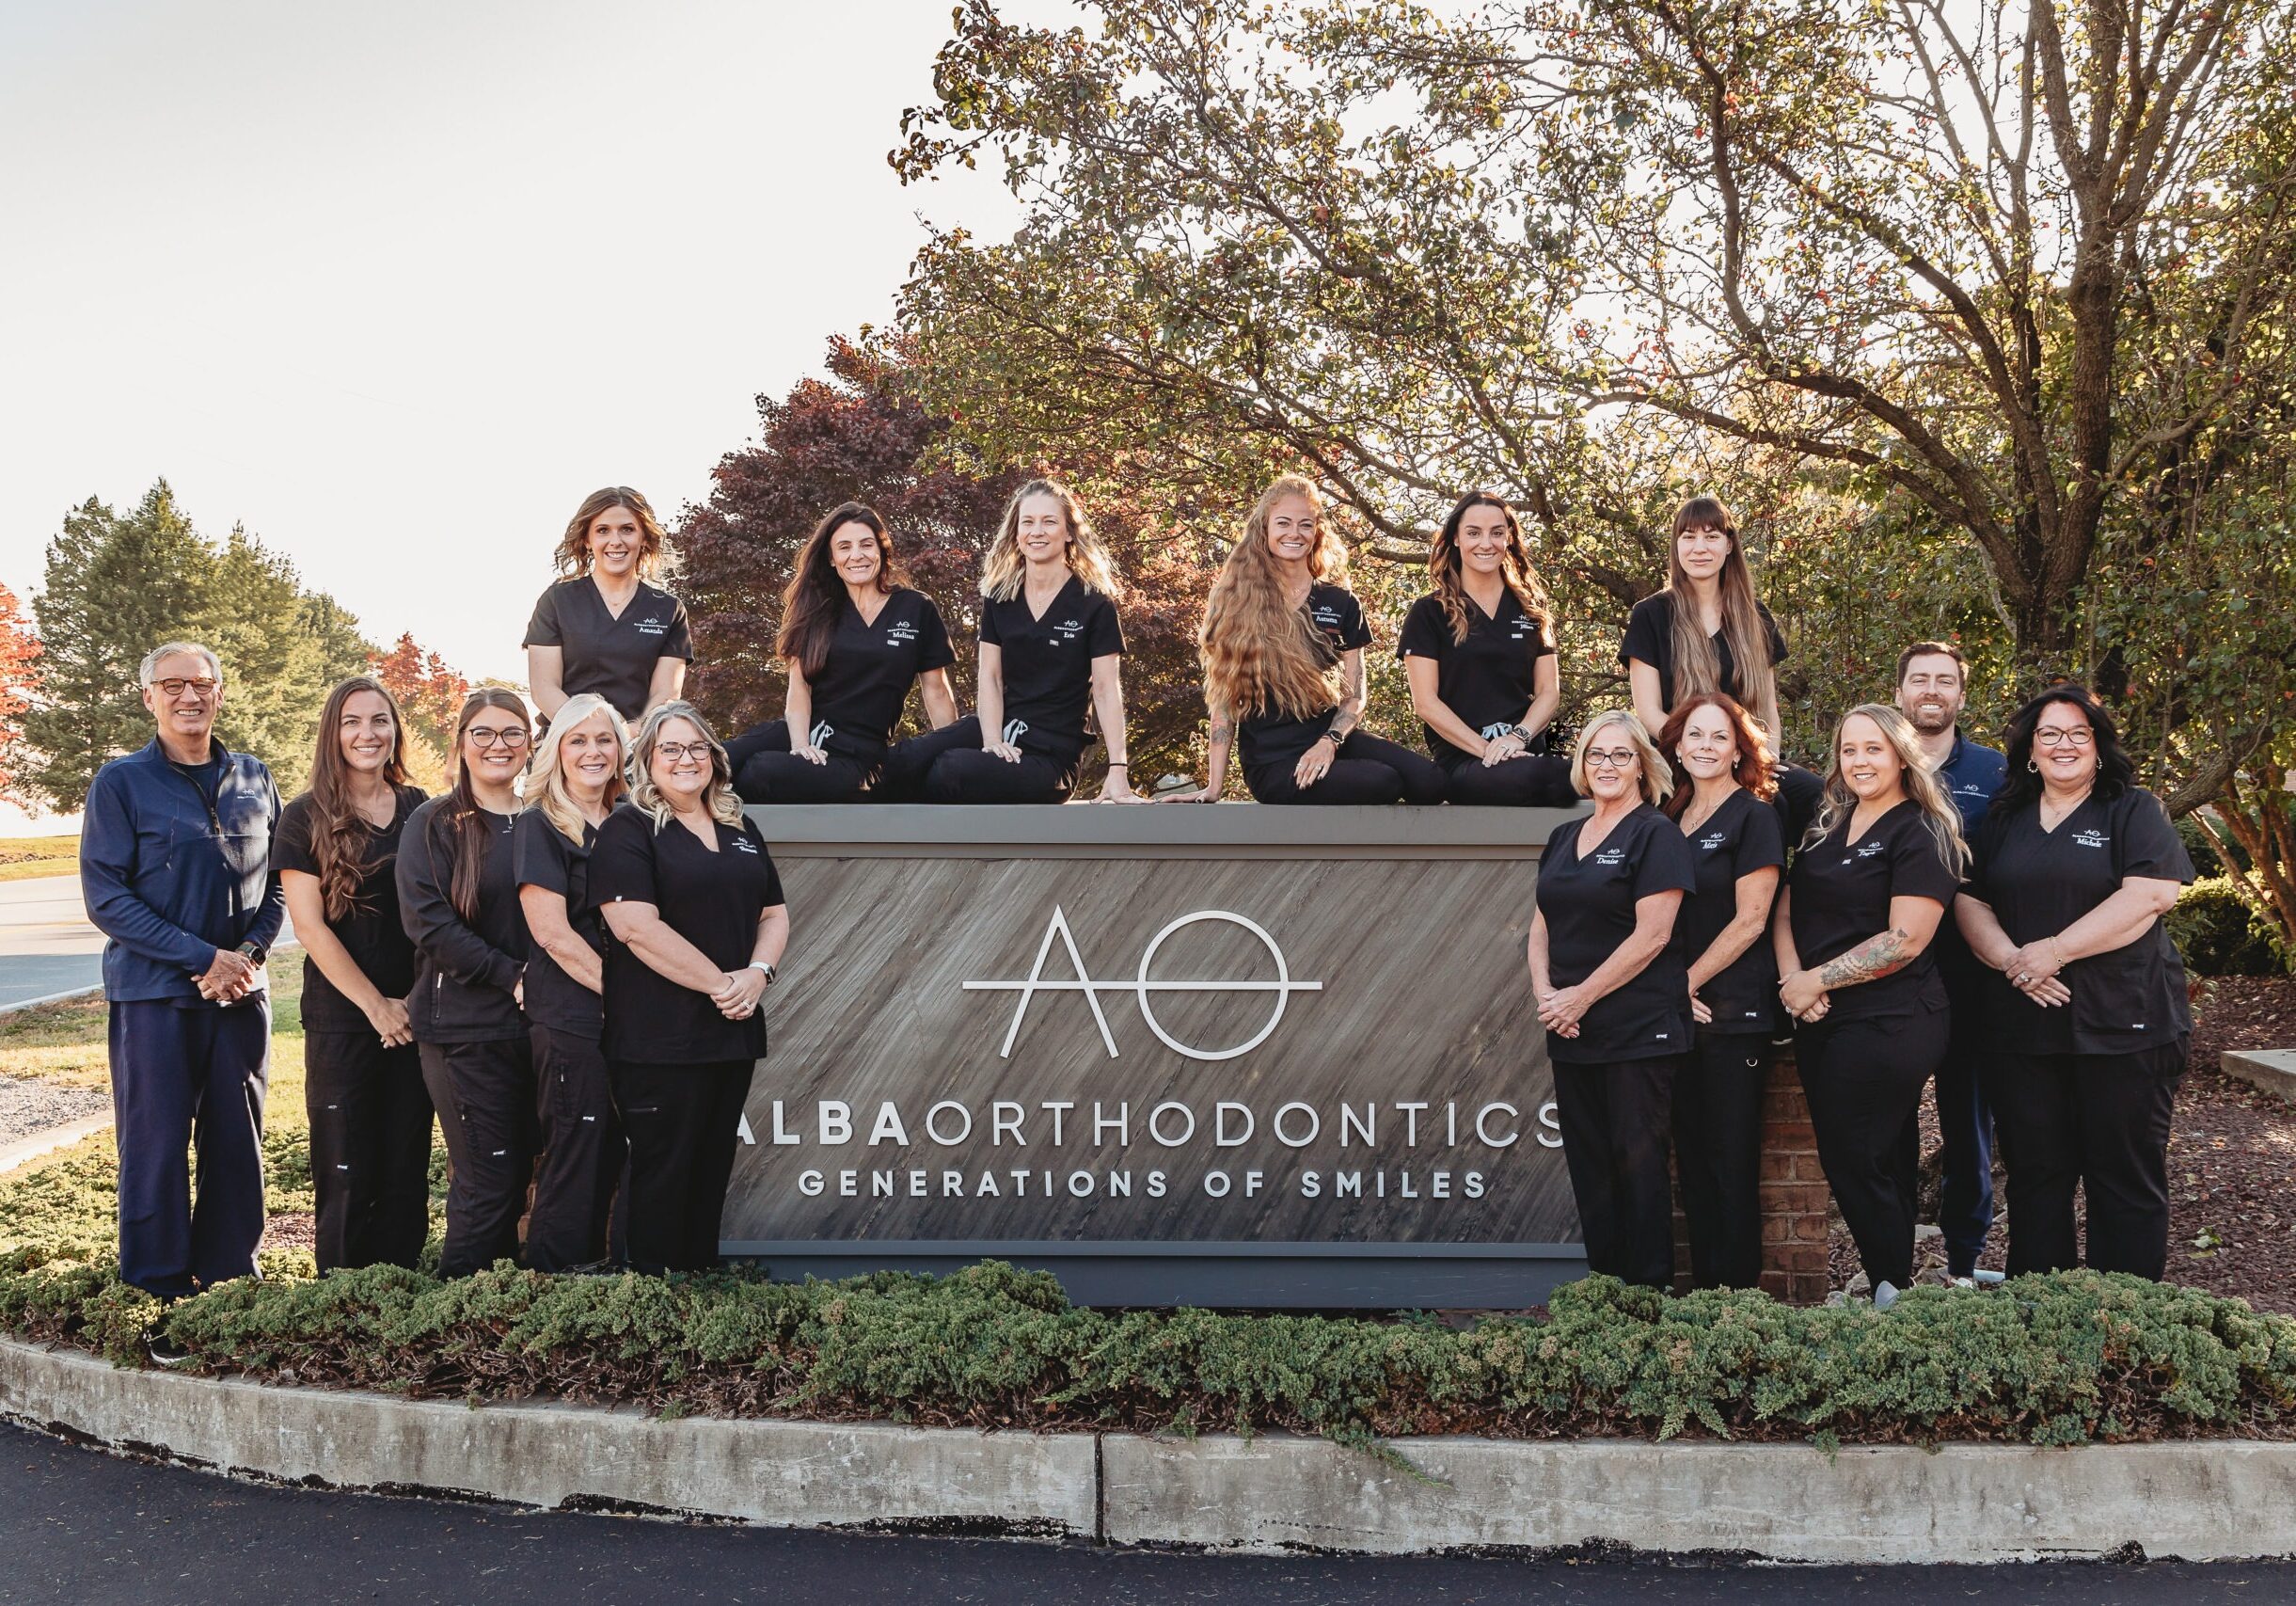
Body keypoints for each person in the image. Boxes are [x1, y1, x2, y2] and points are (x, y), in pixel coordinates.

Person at [1955, 685, 2193, 1280]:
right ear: (2030, 750)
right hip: (2023, 1030)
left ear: (2098, 745)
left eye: (2077, 734)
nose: (2064, 745)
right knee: (2037, 1177)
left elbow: (2153, 894)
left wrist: (2053, 953)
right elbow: (1968, 899)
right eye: (2049, 734)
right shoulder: (2004, 818)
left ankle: (2126, 1320)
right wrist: (2015, 960)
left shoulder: (2134, 809)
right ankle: (2042, 1318)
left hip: (2124, 1027)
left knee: (2124, 1178)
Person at [81, 644, 283, 1314]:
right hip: (154, 996)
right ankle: (156, 1286)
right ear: (149, 697)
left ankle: (229, 1281)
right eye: (173, 685)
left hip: (240, 997)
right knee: (156, 1143)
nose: (189, 696)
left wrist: (248, 955)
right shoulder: (120, 783)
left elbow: (280, 883)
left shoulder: (254, 776)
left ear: (220, 693)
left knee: (236, 1141)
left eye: (202, 684)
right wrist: (203, 958)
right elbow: (107, 897)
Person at [1773, 703, 1966, 1310]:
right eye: (1849, 750)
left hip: (1894, 1014)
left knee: (1853, 1151)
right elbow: (1784, 910)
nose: (1859, 761)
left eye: (1873, 749)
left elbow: (1905, 938)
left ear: (1901, 755)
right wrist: (1794, 983)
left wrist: (1818, 981)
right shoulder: (1827, 827)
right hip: (1819, 1011)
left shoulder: (1922, 830)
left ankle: (1890, 1285)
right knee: (1882, 1149)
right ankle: (1892, 1278)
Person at [593, 703, 791, 1274]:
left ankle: (698, 1292)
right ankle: (652, 1306)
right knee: (663, 1171)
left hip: (731, 1033)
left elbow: (773, 914)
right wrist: (722, 984)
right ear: (647, 762)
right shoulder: (628, 828)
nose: (686, 759)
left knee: (709, 1170)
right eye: (671, 749)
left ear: (715, 758)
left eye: (697, 747)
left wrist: (758, 975)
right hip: (659, 1040)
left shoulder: (740, 827)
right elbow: (634, 926)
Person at [1527, 711, 1695, 1290]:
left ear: (1643, 766)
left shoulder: (1656, 834)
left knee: (1639, 1172)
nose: (1606, 765)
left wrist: (1580, 997)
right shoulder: (1563, 837)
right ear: (1581, 764)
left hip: (1637, 1031)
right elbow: (1542, 922)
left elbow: (1653, 936)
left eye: (1621, 755)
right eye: (1596, 754)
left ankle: (1646, 1304)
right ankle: (1604, 1297)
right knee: (1592, 1173)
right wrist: (1548, 996)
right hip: (1572, 1033)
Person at [275, 676, 432, 1274]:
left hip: (419, 1011)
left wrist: (413, 1002)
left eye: (380, 721)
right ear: (332, 734)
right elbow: (310, 929)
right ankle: (340, 1293)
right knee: (345, 1162)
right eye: (352, 722)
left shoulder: (423, 808)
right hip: (344, 1016)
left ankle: (401, 1290)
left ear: (395, 732)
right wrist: (377, 1007)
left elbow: (446, 913)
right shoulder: (304, 816)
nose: (367, 734)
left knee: (406, 1156)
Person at [1166, 475, 1448, 805]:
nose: (1294, 533)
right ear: (1265, 530)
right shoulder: (1235, 602)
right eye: (1283, 523)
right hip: (1273, 760)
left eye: (1305, 524)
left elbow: (1355, 696)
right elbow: (1224, 704)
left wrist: (1330, 741)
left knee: (1432, 783)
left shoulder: (1341, 602)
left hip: (1329, 739)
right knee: (1382, 781)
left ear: (1317, 532)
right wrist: (1214, 787)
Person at [880, 479, 1139, 803]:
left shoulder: (1094, 604)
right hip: (998, 729)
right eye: (1027, 522)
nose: (1037, 531)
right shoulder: (1000, 599)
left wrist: (1118, 768)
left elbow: (1105, 688)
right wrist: (991, 742)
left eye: (1049, 522)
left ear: (1069, 532)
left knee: (951, 769)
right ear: (1016, 534)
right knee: (903, 759)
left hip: (1049, 756)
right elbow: (990, 676)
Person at [396, 690, 534, 1279]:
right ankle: (458, 1335)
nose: (498, 745)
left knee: (527, 1176)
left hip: (540, 1029)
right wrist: (512, 977)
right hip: (464, 1032)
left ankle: (505, 1324)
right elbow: (428, 922)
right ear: (461, 744)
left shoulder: (545, 819)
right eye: (483, 733)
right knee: (487, 1181)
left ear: (531, 744)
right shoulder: (434, 822)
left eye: (512, 733)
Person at [1656, 692, 1784, 1289]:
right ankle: (1703, 1300)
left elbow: (1751, 920)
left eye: (1718, 737)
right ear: (1677, 746)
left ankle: (1734, 1304)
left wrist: (1684, 983)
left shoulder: (1754, 817)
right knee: (1694, 1164)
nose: (1705, 747)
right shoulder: (1667, 816)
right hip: (1679, 1014)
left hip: (1731, 1012)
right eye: (1695, 736)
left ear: (1739, 749)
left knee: (1731, 1163)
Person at [1895, 640, 2010, 1284]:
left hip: (1970, 976)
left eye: (1943, 680)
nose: (1930, 690)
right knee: (1890, 1123)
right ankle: (1890, 1268)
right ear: (1900, 692)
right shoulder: (1876, 763)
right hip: (1893, 978)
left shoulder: (1995, 773)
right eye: (1919, 680)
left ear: (1961, 696)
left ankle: (1965, 1261)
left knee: (1969, 1125)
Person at [724, 502, 958, 803]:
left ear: (881, 550)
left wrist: (949, 750)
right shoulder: (817, 611)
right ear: (832, 559)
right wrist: (800, 748)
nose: (856, 555)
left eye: (866, 544)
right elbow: (799, 690)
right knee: (716, 760)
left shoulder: (916, 608)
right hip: (801, 733)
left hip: (858, 754)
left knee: (761, 771)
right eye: (844, 547)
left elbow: (937, 691)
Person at [1620, 496, 1822, 840]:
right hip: (1681, 758)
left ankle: (1794, 892)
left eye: (1711, 536)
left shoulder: (1755, 617)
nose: (1700, 547)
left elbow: (1768, 709)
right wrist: (1701, 748)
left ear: (1729, 545)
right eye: (1689, 536)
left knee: (1817, 799)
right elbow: (1649, 712)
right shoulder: (1651, 615)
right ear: (1676, 545)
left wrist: (1766, 756)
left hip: (1747, 756)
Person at [515, 693, 631, 1272]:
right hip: (571, 1014)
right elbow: (554, 935)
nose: (593, 751)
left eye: (604, 739)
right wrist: (631, 996)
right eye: (578, 740)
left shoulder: (633, 821)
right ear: (557, 751)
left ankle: (607, 1285)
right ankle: (555, 1286)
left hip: (629, 1018)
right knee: (576, 1147)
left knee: (615, 1149)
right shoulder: (540, 825)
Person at [1396, 491, 1575, 806]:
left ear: (1509, 538)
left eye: (1496, 532)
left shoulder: (1531, 607)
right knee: (1550, 778)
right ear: (1455, 539)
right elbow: (1425, 703)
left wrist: (1517, 738)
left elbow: (1549, 691)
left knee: (1585, 773)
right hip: (1467, 760)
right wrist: (1488, 750)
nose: (1486, 543)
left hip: (1526, 751)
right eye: (1474, 533)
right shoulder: (1428, 613)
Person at [524, 486, 693, 724]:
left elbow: (665, 695)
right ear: (587, 540)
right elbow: (544, 688)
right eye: (603, 531)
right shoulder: (556, 601)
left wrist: (628, 735)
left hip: (637, 744)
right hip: (566, 740)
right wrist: (593, 734)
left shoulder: (669, 610)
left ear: (643, 538)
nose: (616, 541)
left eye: (627, 530)